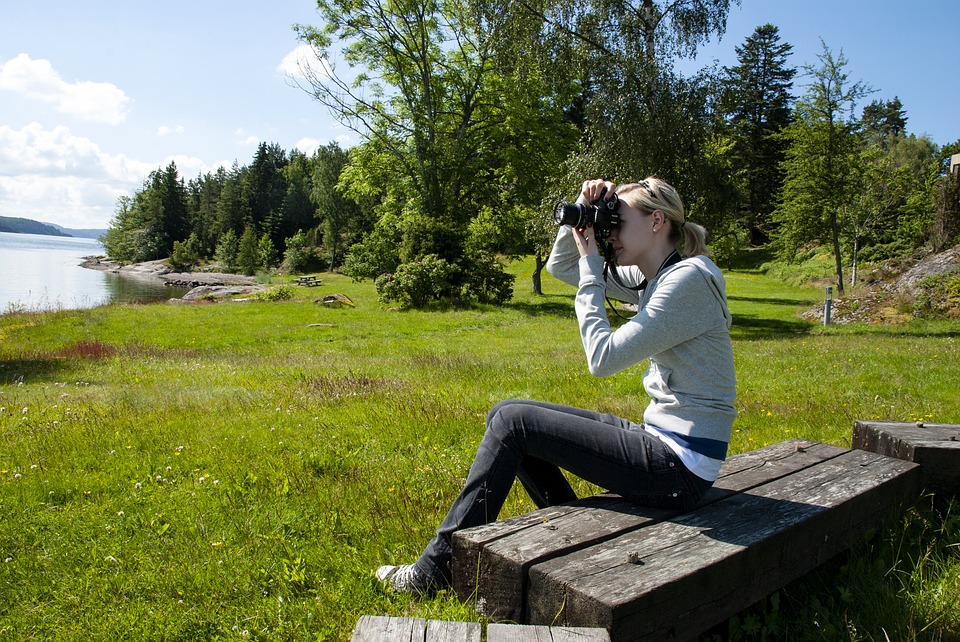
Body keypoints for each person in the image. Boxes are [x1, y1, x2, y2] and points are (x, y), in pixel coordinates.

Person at [376, 177, 737, 595]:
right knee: (505, 413)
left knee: (514, 423)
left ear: (657, 220)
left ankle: (434, 570)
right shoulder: (656, 275)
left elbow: (602, 359)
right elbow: (559, 266)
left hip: (680, 467)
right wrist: (578, 219)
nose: (609, 232)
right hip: (668, 447)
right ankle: (573, 526)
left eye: (617, 221)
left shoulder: (685, 281)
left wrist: (592, 269)